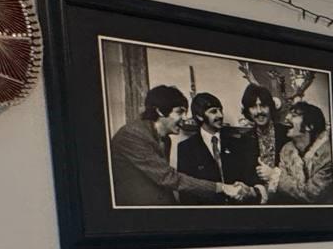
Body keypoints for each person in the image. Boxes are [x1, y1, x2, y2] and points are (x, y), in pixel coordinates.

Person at [109, 85, 254, 206]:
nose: (185, 118)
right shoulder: (133, 135)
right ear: (160, 110)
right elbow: (169, 178)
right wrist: (221, 187)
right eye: (180, 112)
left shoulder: (166, 139)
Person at [261, 99, 333, 204]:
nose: (286, 118)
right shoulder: (286, 149)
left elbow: (310, 195)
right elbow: (283, 191)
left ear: (309, 126)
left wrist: (275, 176)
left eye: (294, 115)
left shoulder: (329, 157)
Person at [223, 83, 281, 189]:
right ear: (248, 112)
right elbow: (245, 177)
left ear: (271, 107)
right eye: (254, 107)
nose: (259, 111)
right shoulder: (244, 140)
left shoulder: (286, 134)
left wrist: (274, 175)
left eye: (263, 106)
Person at [174, 92, 229, 198]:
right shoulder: (186, 148)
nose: (220, 115)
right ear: (199, 116)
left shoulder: (237, 143)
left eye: (220, 110)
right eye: (214, 111)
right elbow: (186, 190)